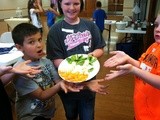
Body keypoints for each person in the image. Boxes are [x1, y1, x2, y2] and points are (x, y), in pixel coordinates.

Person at [46, 0, 106, 120]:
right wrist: (76, 70)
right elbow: (56, 59)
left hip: (89, 84)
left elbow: (100, 48)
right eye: (67, 4)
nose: (72, 8)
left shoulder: (90, 26)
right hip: (67, 85)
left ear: (81, 5)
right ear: (60, 5)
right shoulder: (55, 30)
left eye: (76, 4)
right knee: (70, 114)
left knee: (88, 116)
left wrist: (92, 55)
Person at [11, 23, 83, 120]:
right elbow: (42, 95)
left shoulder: (47, 62)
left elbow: (58, 82)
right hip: (31, 116)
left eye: (40, 39)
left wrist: (82, 81)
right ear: (19, 47)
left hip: (46, 113)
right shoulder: (20, 71)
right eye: (31, 42)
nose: (39, 45)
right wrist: (60, 85)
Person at [104, 13, 160, 120]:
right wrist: (128, 58)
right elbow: (143, 66)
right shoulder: (154, 46)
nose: (157, 29)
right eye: (156, 25)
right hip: (141, 111)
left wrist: (133, 70)